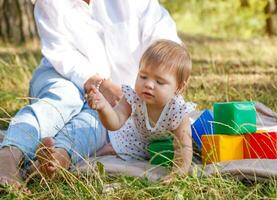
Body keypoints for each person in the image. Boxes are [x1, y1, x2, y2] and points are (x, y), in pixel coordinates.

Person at [0, 0, 181, 188]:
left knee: (97, 119)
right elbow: (62, 53)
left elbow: (166, 44)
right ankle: (9, 156)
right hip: (62, 75)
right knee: (65, 98)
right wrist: (99, 84)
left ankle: (58, 157)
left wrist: (153, 88)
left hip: (119, 97)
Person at [87, 39, 195, 180]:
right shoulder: (134, 98)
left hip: (163, 147)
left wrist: (177, 173)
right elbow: (115, 122)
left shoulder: (178, 111)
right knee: (107, 150)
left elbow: (184, 147)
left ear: (179, 87)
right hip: (135, 139)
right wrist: (103, 107)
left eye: (159, 82)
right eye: (143, 76)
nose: (149, 84)